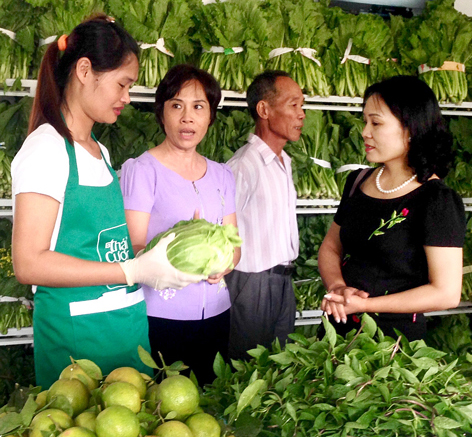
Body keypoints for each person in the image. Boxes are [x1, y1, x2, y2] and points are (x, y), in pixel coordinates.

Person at [11, 15, 205, 387]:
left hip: (124, 333)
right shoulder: (46, 150)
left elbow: (105, 247)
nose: (127, 98)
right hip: (79, 343)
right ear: (85, 70)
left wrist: (166, 257)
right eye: (122, 83)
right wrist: (130, 273)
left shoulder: (98, 150)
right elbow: (29, 263)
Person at [318, 75, 465, 341]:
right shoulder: (358, 181)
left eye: (376, 122)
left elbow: (447, 292)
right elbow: (330, 247)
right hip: (336, 330)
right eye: (365, 121)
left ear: (411, 129)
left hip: (393, 343)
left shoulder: (437, 200)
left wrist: (365, 306)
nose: (365, 132)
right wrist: (338, 287)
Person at [120, 64, 240, 384]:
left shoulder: (223, 175)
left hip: (217, 312)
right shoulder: (141, 171)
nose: (188, 117)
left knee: (209, 408)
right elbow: (133, 246)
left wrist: (222, 264)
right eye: (177, 106)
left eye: (199, 107)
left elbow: (234, 243)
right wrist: (181, 255)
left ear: (210, 116)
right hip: (160, 316)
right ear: (162, 114)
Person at [225, 70, 303, 360]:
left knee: (277, 370)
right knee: (246, 371)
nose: (302, 114)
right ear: (264, 110)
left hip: (282, 282)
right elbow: (220, 228)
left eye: (302, 106)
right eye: (293, 105)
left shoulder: (284, 163)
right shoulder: (243, 165)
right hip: (251, 284)